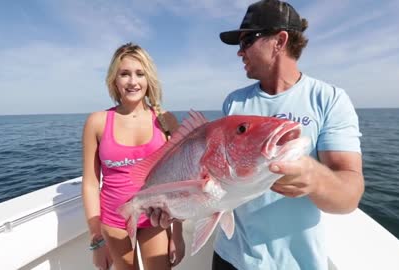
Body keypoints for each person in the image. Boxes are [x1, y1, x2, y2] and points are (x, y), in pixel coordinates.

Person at [150, 1, 365, 269]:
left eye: (248, 40)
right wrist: (177, 208)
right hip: (231, 258)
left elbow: (350, 196)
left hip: (298, 263)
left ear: (279, 40)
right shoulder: (235, 103)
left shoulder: (329, 100)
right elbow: (218, 184)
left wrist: (314, 178)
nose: (240, 52)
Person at [82, 42, 185, 270]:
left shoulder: (166, 121)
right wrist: (97, 238)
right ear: (114, 80)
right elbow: (90, 183)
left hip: (155, 218)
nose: (132, 81)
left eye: (140, 74)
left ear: (149, 79)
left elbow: (178, 182)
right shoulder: (97, 122)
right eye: (124, 74)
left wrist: (177, 234)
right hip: (113, 220)